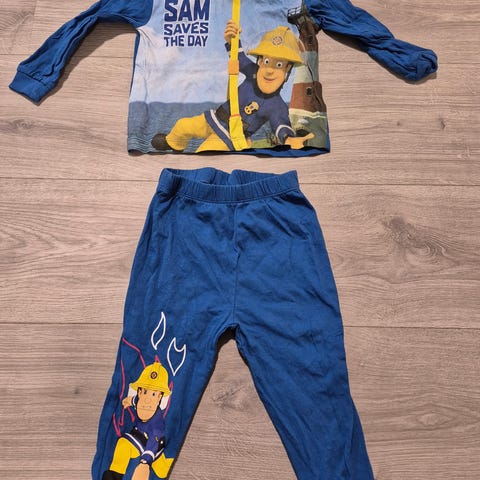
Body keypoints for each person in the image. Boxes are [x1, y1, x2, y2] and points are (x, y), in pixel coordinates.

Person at [151, 20, 313, 152]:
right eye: (266, 61)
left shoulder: (276, 105)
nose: (269, 70)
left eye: (279, 65)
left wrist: (289, 138)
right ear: (259, 61)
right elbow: (239, 58)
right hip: (214, 118)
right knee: (182, 125)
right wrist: (232, 41)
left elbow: (281, 124)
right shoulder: (253, 72)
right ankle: (174, 143)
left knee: (204, 151)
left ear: (287, 71)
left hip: (230, 136)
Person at [102, 362, 173, 480]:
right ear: (139, 392)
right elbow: (137, 401)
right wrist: (130, 401)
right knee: (123, 444)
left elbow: (155, 440)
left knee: (161, 471)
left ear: (159, 397)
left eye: (154, 394)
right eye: (144, 392)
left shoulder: (157, 422)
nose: (147, 400)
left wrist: (145, 462)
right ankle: (114, 475)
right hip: (138, 438)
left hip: (152, 445)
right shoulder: (140, 402)